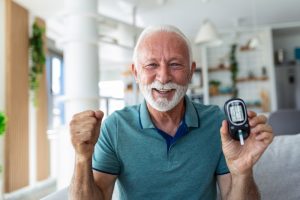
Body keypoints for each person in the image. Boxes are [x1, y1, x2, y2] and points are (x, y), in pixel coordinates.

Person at [69, 25, 273, 200]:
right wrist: (82, 157)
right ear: (136, 73)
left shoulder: (218, 124)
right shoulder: (115, 127)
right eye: (151, 65)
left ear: (191, 72)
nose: (164, 77)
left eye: (175, 64)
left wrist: (242, 173)